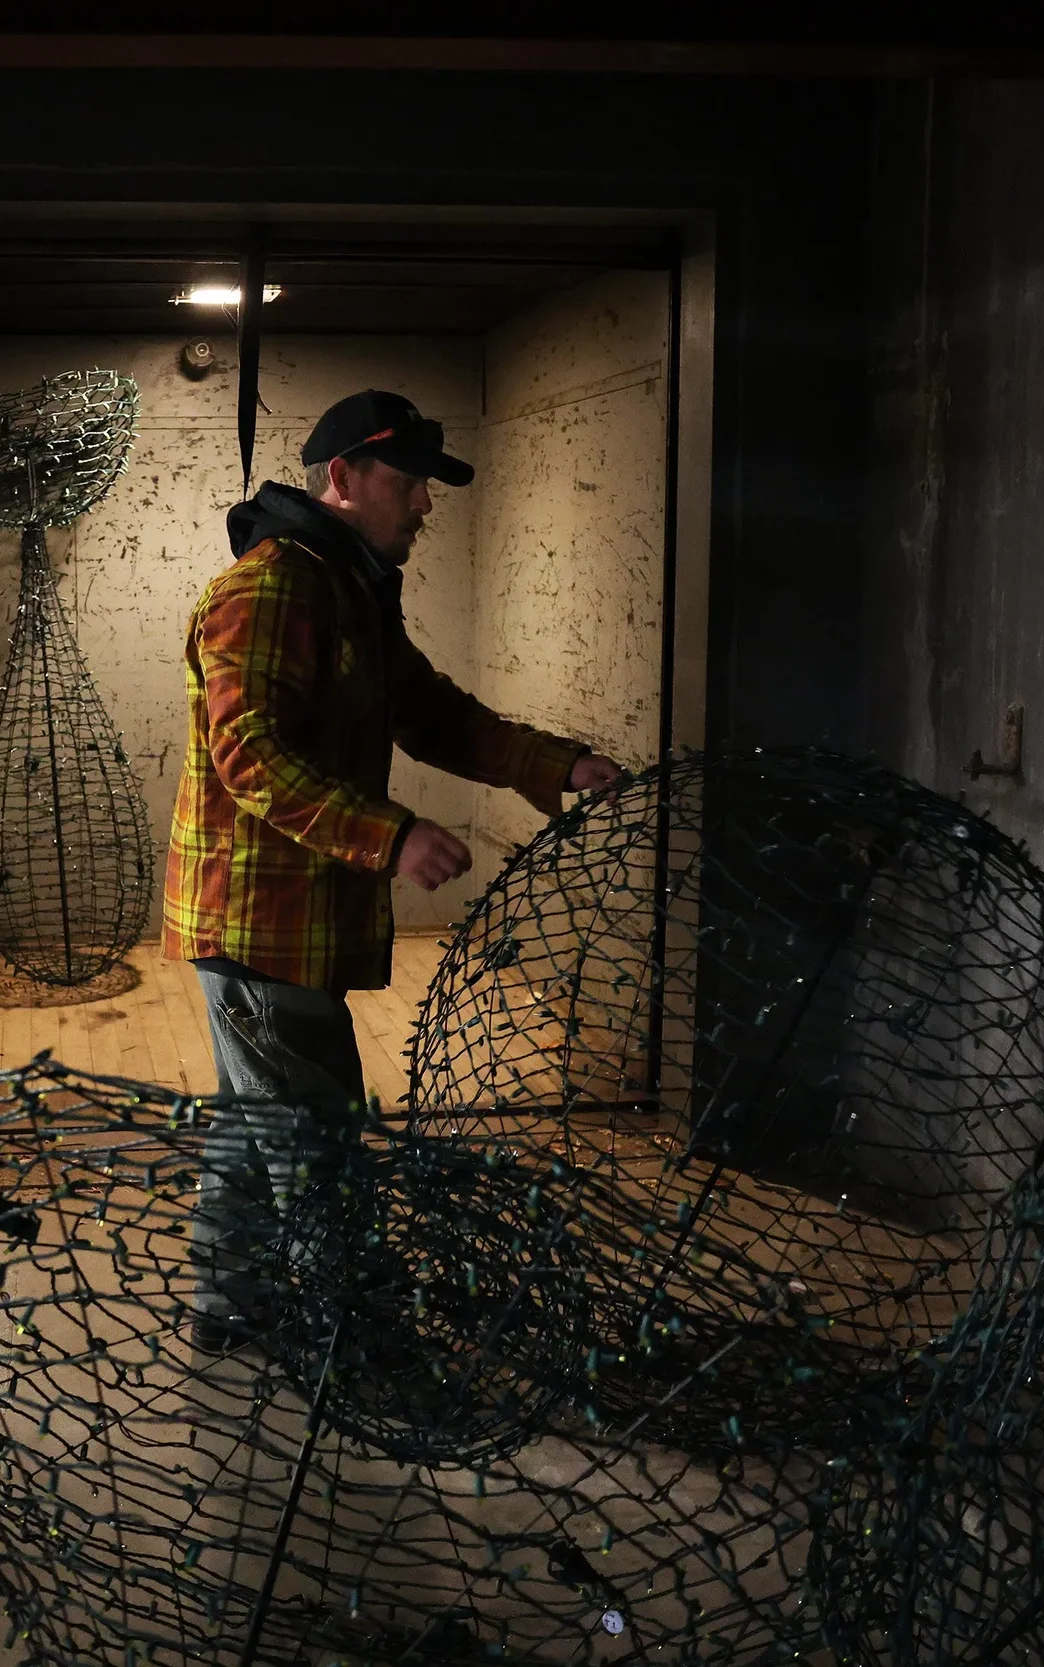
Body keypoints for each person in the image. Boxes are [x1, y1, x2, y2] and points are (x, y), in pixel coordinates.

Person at [165, 390, 622, 1351]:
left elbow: (432, 714)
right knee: (315, 1130)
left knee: (264, 1121)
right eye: (408, 481)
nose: (424, 503)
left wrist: (554, 765)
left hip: (290, 917)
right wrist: (392, 834)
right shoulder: (270, 588)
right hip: (257, 921)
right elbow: (250, 757)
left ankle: (228, 1302)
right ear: (344, 478)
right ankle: (349, 1334)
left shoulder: (349, 588)